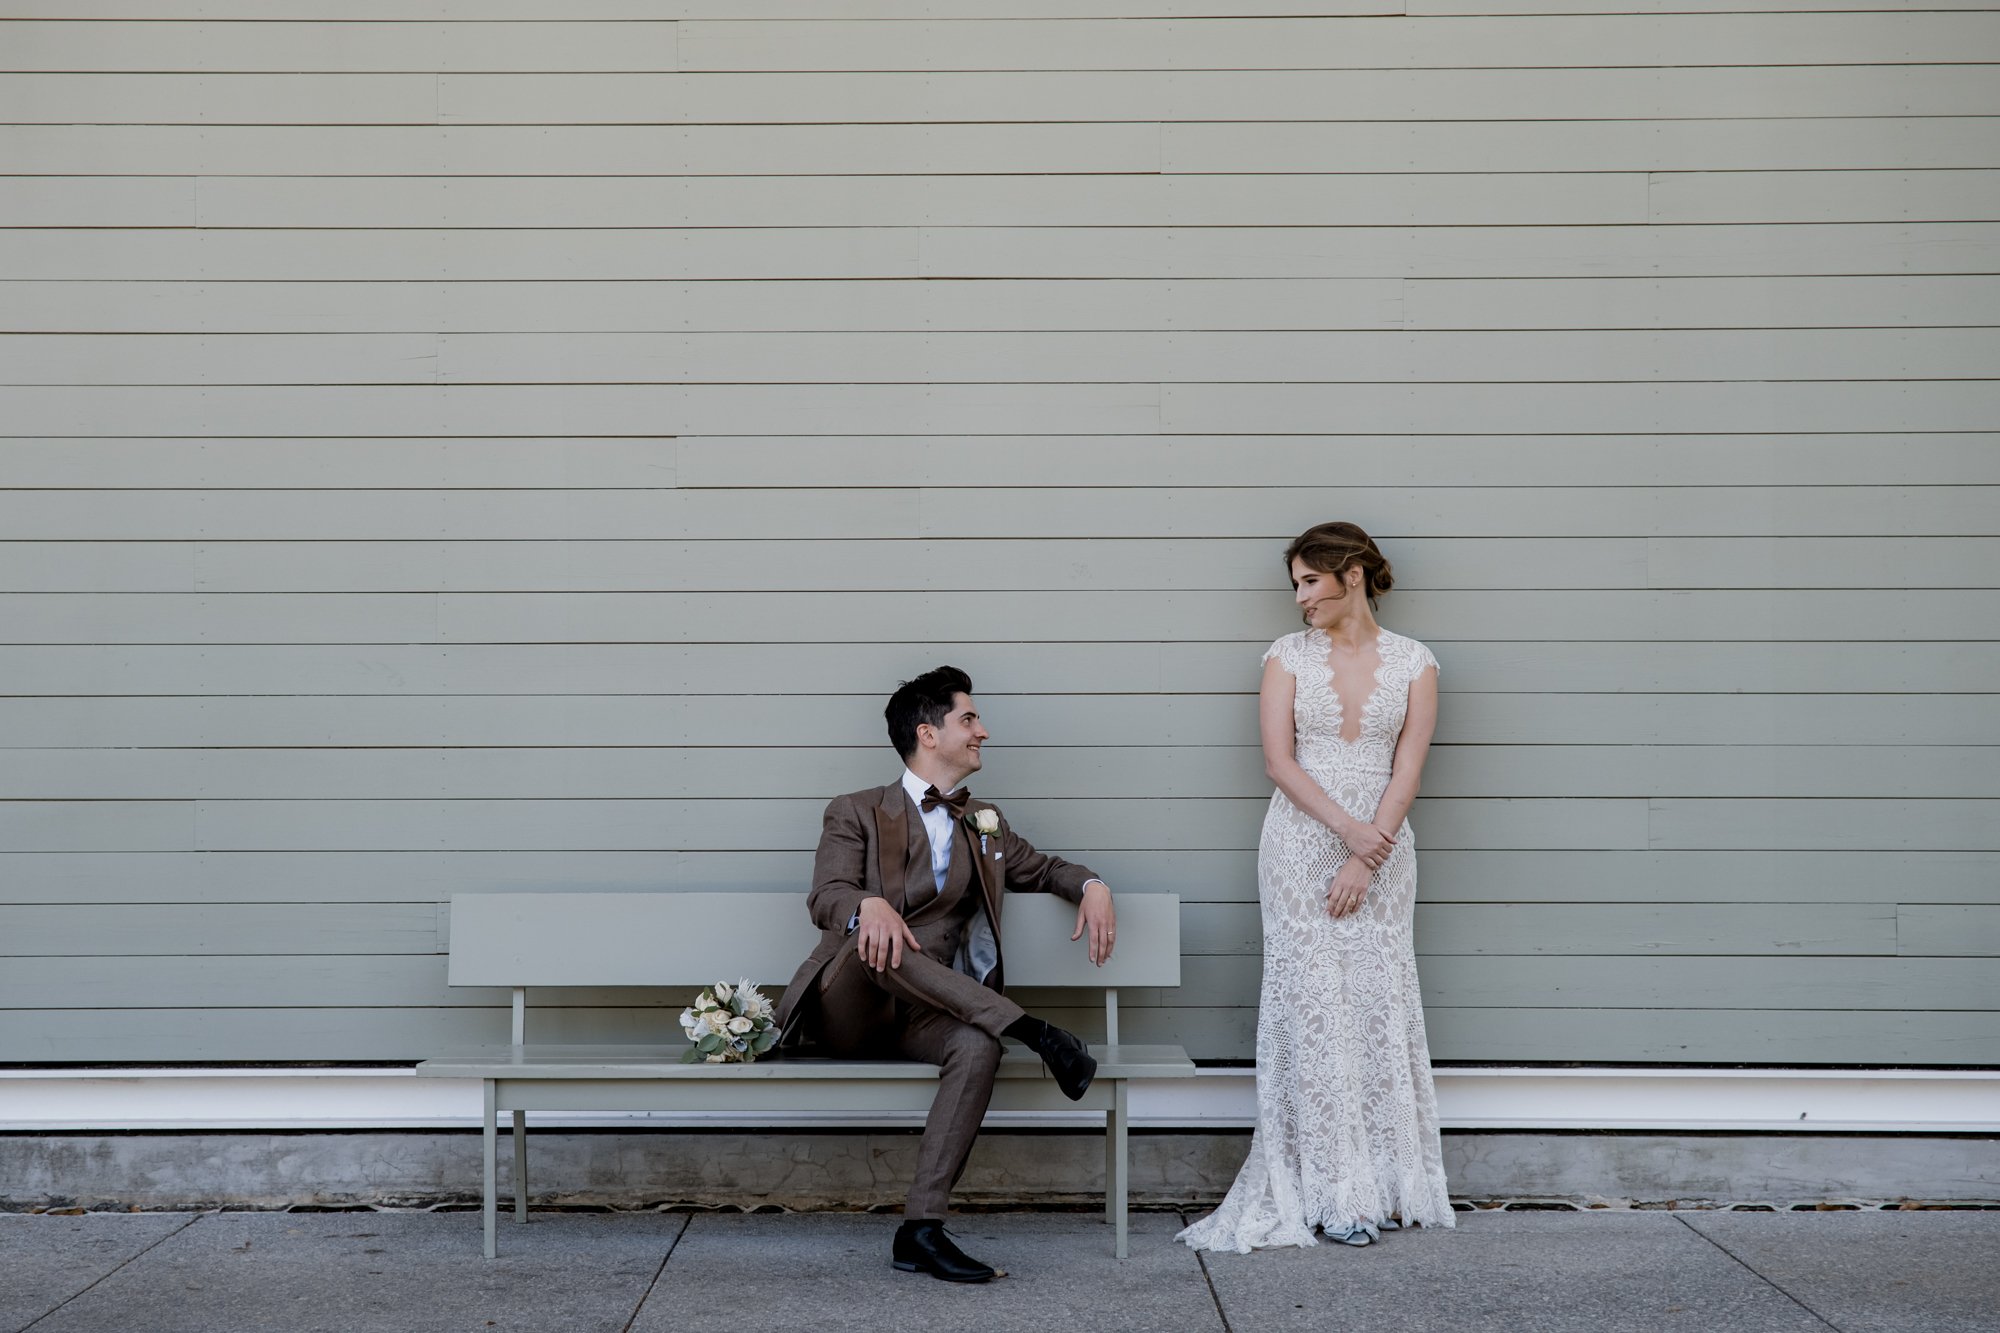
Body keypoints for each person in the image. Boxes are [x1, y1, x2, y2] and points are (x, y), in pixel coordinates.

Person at [774, 665, 1117, 1283]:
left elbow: (1041, 869)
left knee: (976, 1041)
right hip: (850, 1005)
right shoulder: (855, 809)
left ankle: (922, 1230)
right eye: (969, 718)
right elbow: (825, 895)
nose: (983, 730)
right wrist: (865, 903)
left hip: (925, 1014)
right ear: (928, 734)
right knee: (877, 937)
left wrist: (1091, 885)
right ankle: (1036, 1033)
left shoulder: (982, 821)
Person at [1178, 521, 1454, 1253]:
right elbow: (1279, 761)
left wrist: (1370, 853)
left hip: (1386, 850)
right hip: (1299, 843)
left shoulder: (1417, 662)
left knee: (1373, 995)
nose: (1301, 597)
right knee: (1314, 1003)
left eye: (1310, 580)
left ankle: (1384, 1184)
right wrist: (1347, 834)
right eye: (1295, 585)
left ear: (1352, 574)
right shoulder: (1285, 657)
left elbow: (1408, 770)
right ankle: (1329, 1194)